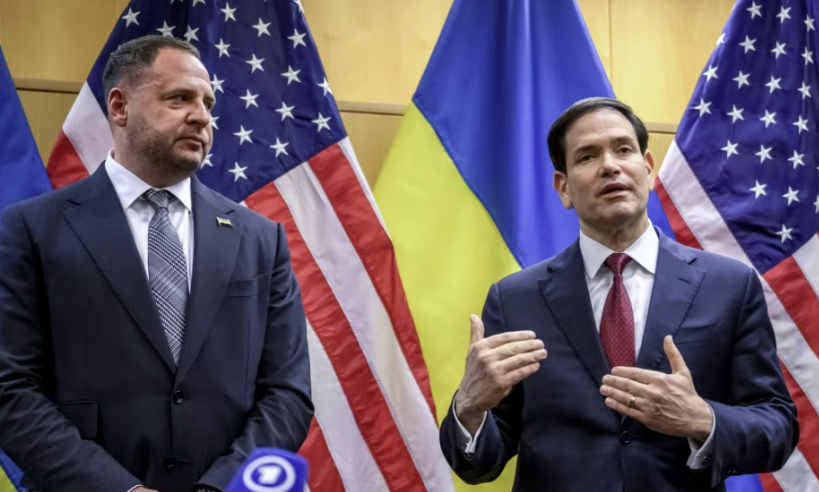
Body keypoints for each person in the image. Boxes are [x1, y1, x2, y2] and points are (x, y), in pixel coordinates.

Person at [0, 36, 312, 492]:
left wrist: (219, 487)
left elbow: (288, 392)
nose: (202, 116)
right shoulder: (31, 229)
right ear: (120, 107)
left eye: (207, 103)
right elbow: (11, 388)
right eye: (179, 98)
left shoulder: (262, 239)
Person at [439, 97, 798, 492]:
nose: (609, 165)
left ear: (647, 168)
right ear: (563, 188)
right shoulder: (514, 299)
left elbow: (777, 427)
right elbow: (480, 465)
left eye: (623, 149)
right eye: (587, 156)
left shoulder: (729, 286)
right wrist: (469, 407)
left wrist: (701, 418)